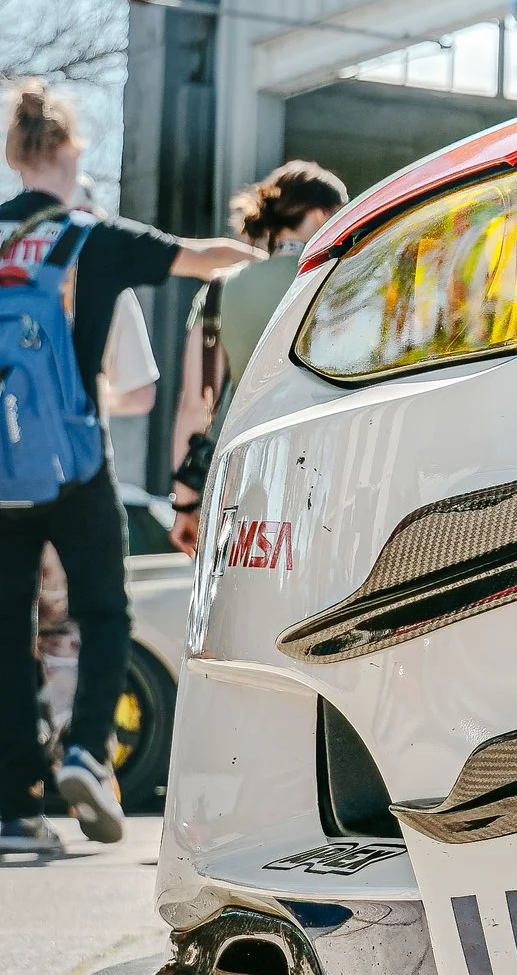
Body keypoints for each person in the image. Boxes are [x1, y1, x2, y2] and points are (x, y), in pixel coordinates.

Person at [0, 81, 256, 860]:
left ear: (13, 157)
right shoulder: (92, 237)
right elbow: (201, 259)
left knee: (10, 629)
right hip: (78, 464)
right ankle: (85, 752)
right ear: (71, 152)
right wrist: (276, 263)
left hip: (2, 476)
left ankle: (13, 805)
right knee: (104, 611)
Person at [168, 158, 347, 550]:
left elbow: (195, 406)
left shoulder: (219, 289)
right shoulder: (344, 282)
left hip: (247, 484)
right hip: (330, 481)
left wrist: (184, 503)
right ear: (320, 214)